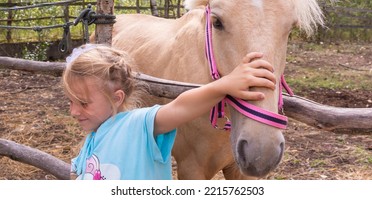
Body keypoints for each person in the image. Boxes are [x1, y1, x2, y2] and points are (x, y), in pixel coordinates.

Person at [63, 44, 276, 180]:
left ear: (117, 98)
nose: (73, 111)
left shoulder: (137, 125)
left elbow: (181, 107)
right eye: (71, 102)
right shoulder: (90, 142)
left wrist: (224, 85)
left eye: (83, 103)